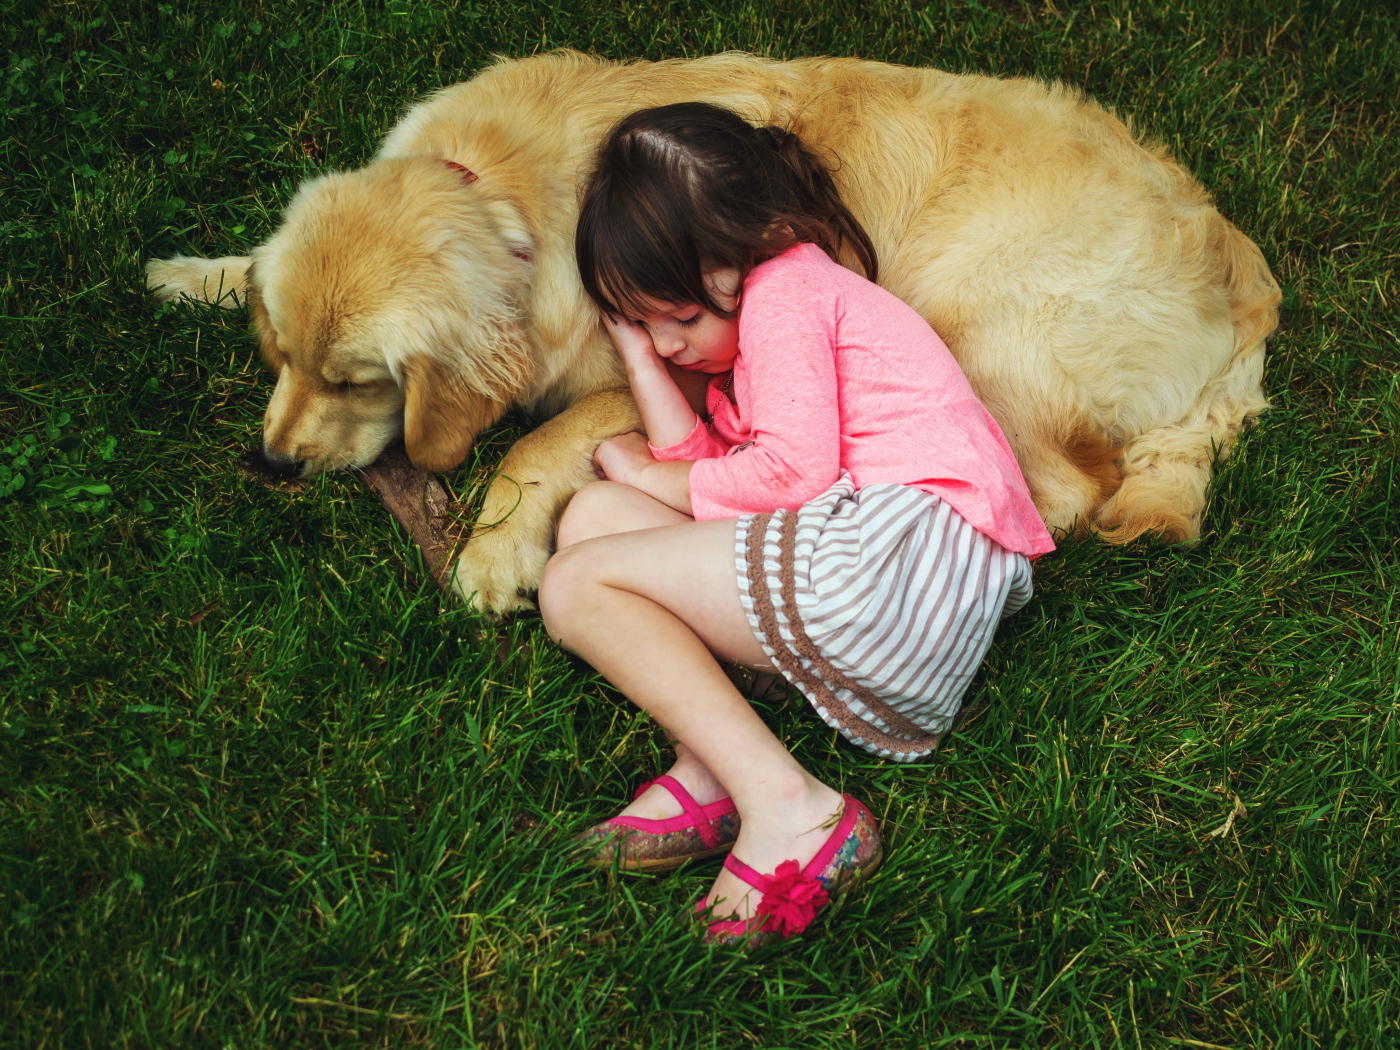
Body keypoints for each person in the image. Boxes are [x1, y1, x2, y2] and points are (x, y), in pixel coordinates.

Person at [538, 102, 1055, 945]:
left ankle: (794, 808)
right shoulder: (762, 320)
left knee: (573, 584)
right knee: (596, 520)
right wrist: (640, 359)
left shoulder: (786, 295)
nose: (671, 345)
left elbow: (785, 477)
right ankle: (713, 765)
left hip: (897, 561)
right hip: (909, 583)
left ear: (754, 245)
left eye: (683, 319)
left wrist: (646, 470)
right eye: (647, 323)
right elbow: (714, 463)